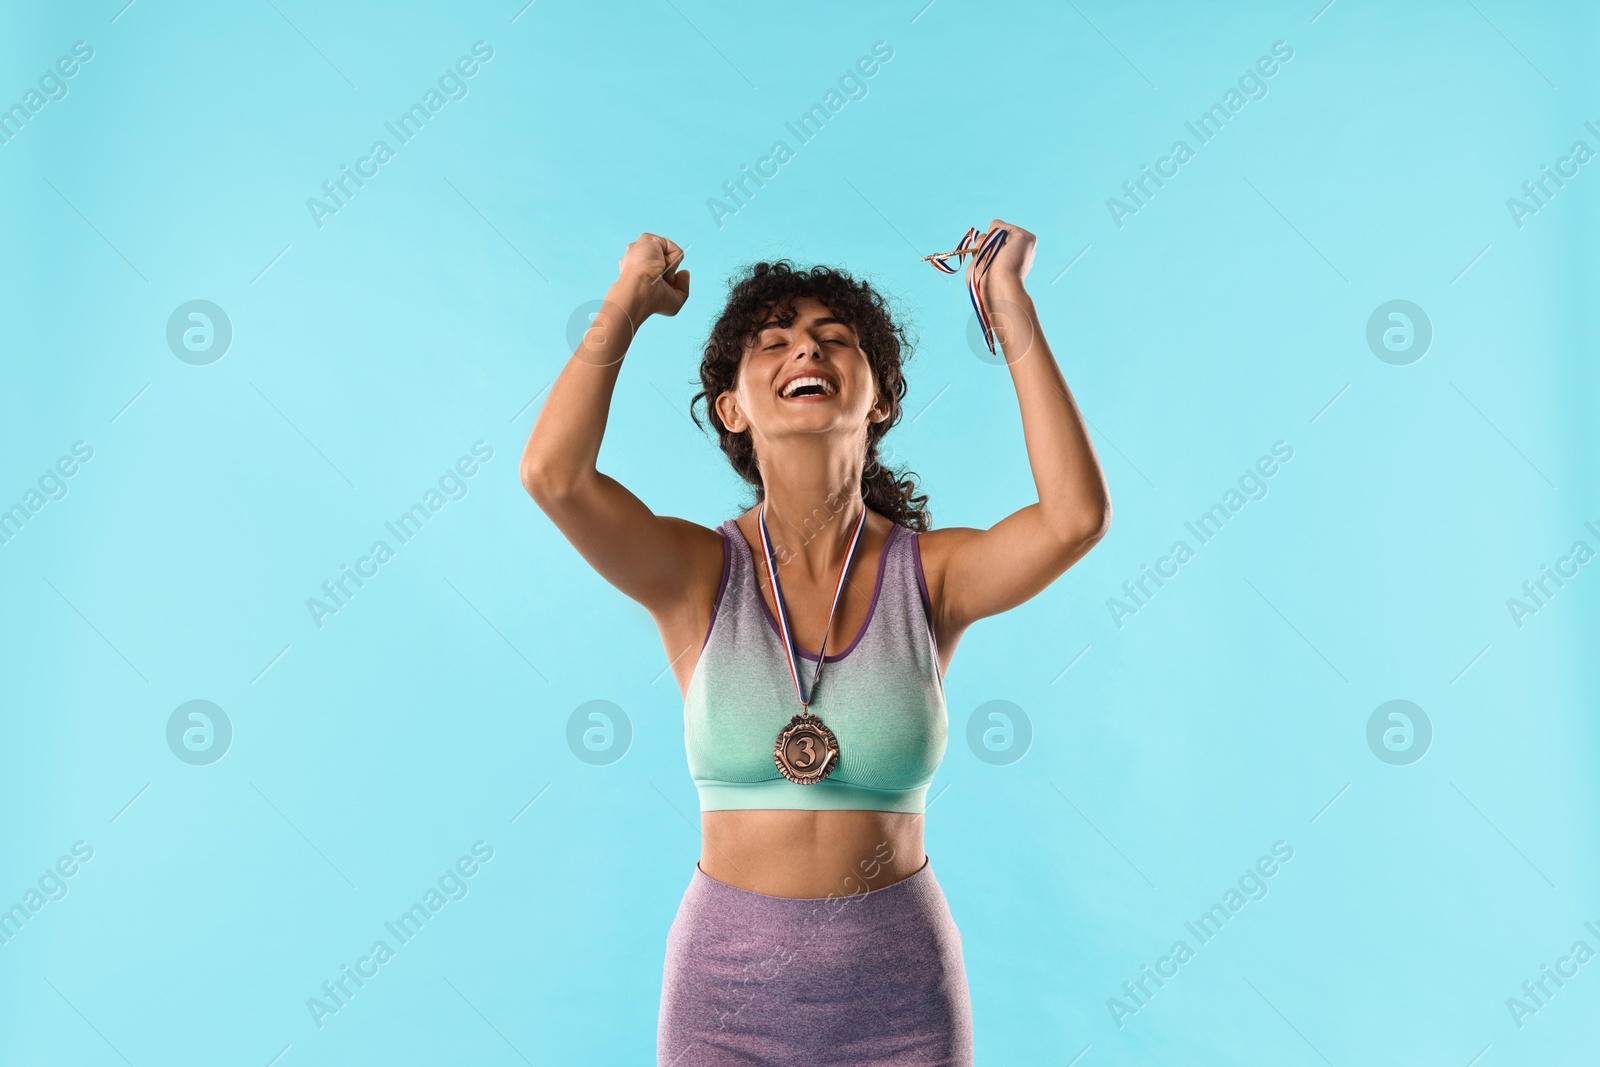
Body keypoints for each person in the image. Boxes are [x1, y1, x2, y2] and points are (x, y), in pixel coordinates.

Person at [519, 220, 1110, 1066]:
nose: (808, 350)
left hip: (901, 1001)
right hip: (725, 1000)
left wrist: (1006, 300)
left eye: (837, 341)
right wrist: (627, 301)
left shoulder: (931, 577)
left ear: (879, 399)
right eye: (776, 342)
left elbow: (1074, 518)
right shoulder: (694, 574)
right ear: (732, 406)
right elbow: (554, 476)